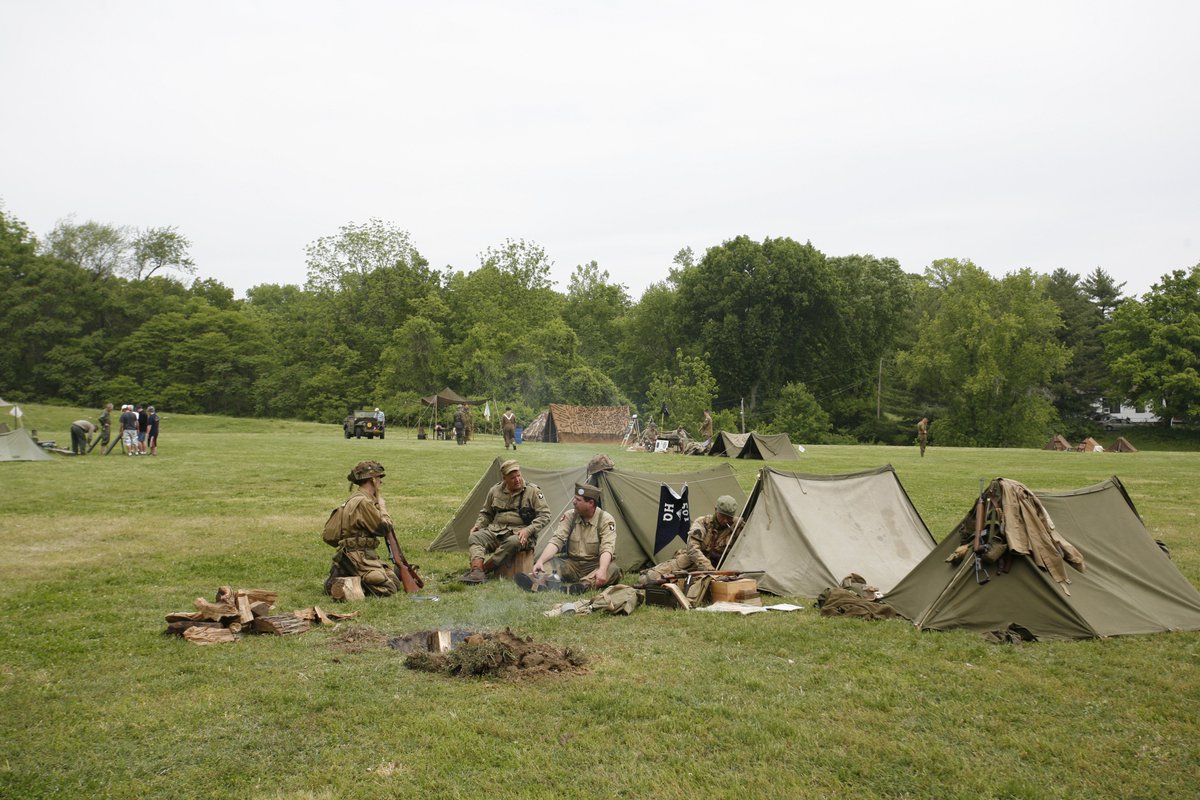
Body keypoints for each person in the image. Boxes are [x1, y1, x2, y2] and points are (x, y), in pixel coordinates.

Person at [462, 459, 551, 584]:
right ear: (504, 478)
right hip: (496, 531)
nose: (517, 480)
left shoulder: (533, 491)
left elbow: (545, 515)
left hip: (521, 534)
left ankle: (484, 569)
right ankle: (476, 570)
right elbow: (486, 513)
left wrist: (528, 530)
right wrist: (479, 525)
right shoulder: (495, 490)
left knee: (513, 542)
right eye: (512, 477)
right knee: (475, 537)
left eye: (518, 475)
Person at [520, 483, 621, 592]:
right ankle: (540, 581)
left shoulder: (606, 520)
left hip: (594, 565)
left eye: (578, 500)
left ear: (590, 503)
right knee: (549, 563)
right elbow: (557, 540)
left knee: (612, 569)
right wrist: (540, 560)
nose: (574, 502)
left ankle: (583, 586)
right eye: (574, 498)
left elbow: (607, 548)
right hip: (572, 565)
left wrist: (602, 570)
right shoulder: (570, 516)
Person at [323, 460, 401, 597]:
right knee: (389, 587)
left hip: (356, 555)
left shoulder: (356, 498)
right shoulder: (364, 502)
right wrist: (382, 507)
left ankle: (344, 574)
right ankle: (349, 583)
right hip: (360, 557)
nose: (380, 482)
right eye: (378, 478)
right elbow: (383, 528)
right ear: (372, 480)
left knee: (393, 579)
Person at [637, 495, 743, 585]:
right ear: (716, 510)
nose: (725, 520)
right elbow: (693, 549)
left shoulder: (738, 526)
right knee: (650, 578)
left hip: (721, 566)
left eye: (729, 518)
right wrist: (709, 569)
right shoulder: (702, 523)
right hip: (694, 561)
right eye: (722, 516)